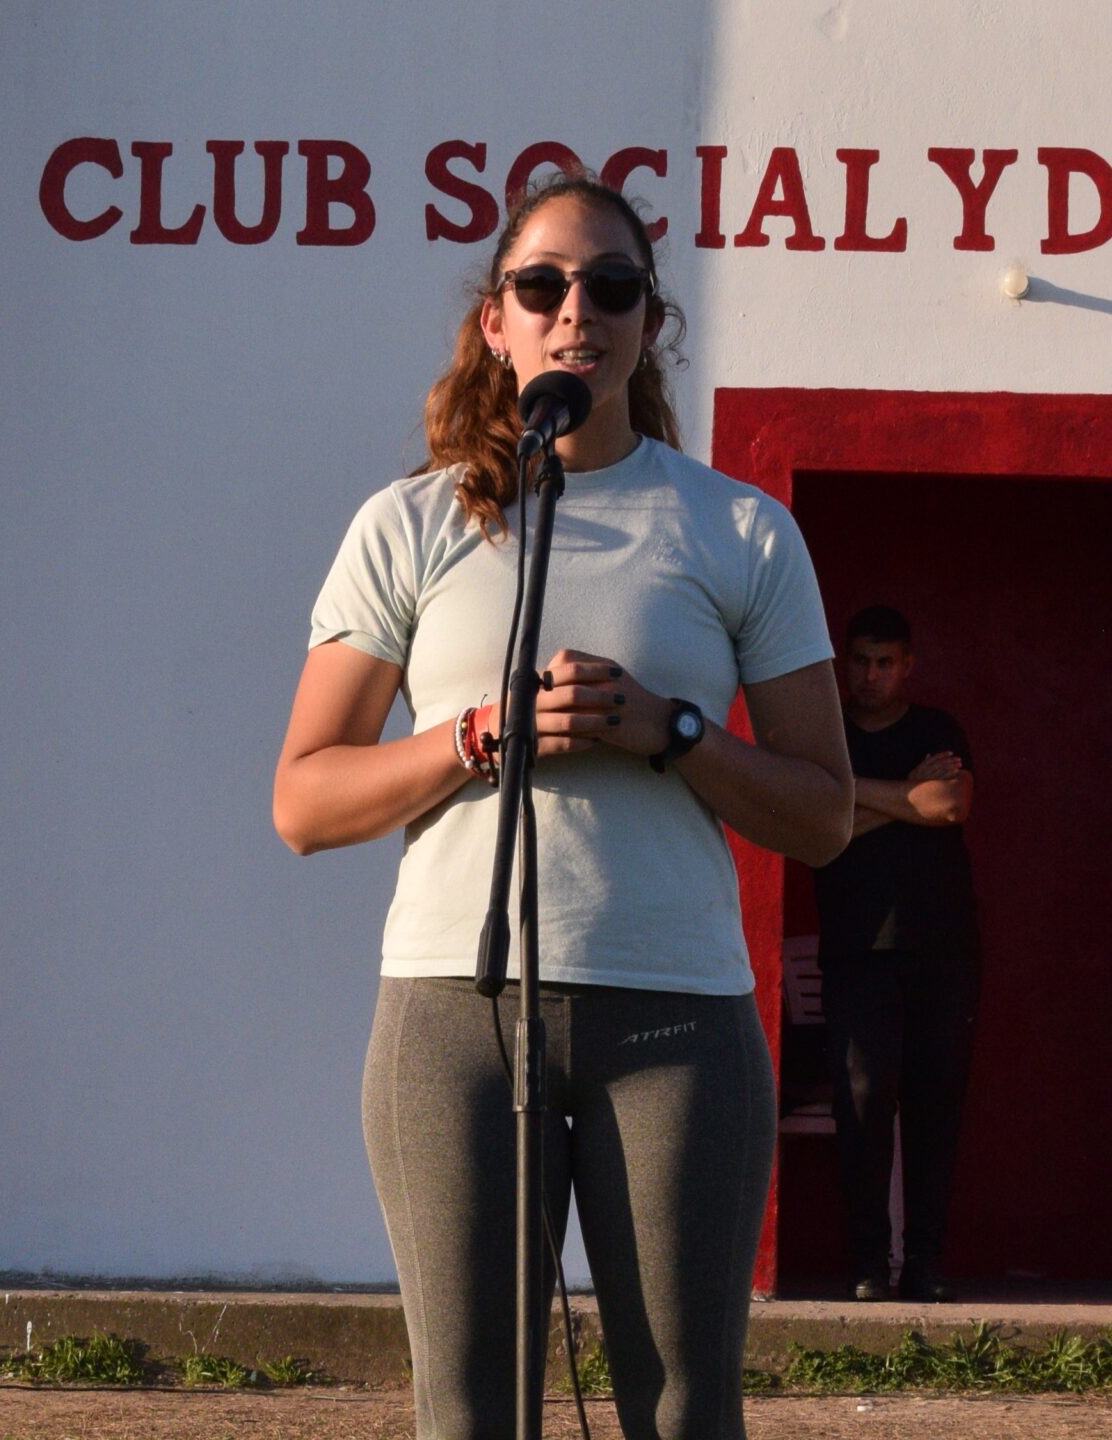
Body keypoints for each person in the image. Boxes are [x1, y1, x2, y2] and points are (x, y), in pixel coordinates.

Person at [272, 175, 853, 1440]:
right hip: (455, 1014)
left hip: (676, 1014)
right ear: (496, 322)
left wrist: (672, 732)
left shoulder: (739, 531)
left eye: (611, 286)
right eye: (541, 286)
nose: (575, 311)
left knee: (684, 1411)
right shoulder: (412, 524)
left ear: (652, 322)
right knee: (470, 1413)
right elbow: (306, 799)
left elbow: (823, 814)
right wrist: (479, 736)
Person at [811, 604, 980, 1303]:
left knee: (935, 1103)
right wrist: (908, 792)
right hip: (856, 951)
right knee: (863, 1099)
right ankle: (868, 1264)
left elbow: (951, 806)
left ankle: (925, 1264)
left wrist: (854, 800)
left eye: (885, 662)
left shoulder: (938, 730)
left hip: (944, 950)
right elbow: (817, 825)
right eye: (860, 661)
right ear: (844, 663)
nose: (871, 675)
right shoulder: (826, 736)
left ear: (907, 666)